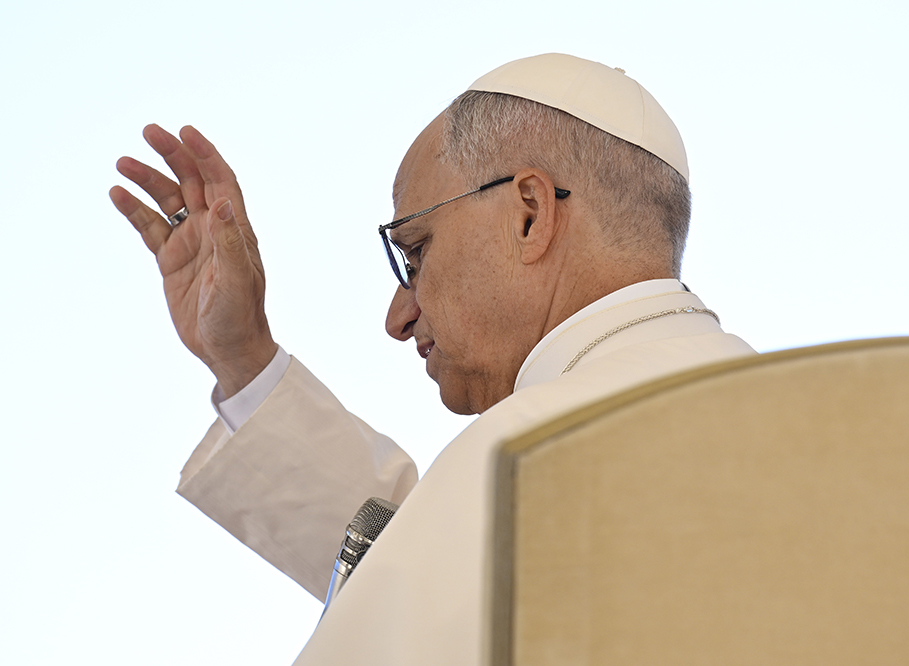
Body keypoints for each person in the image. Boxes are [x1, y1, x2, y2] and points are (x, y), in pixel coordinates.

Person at [110, 54, 756, 665]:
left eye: (415, 254)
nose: (398, 318)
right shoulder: (804, 428)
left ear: (530, 215)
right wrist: (245, 361)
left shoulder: (534, 454)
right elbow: (427, 569)